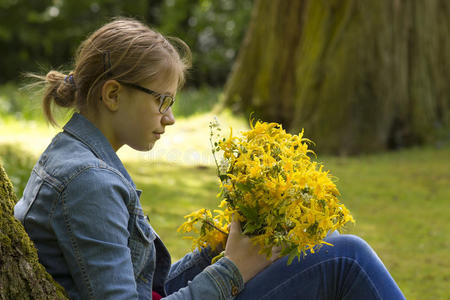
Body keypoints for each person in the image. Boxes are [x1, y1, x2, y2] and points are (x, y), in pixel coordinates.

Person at [14, 18, 406, 300]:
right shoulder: (88, 182)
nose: (169, 117)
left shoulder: (73, 157)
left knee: (322, 241)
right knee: (348, 258)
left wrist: (216, 249)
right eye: (161, 101)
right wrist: (232, 268)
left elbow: (149, 285)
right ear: (113, 95)